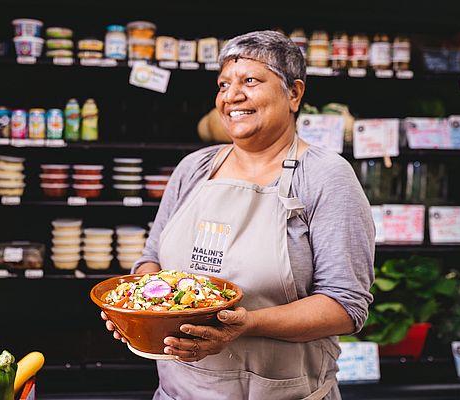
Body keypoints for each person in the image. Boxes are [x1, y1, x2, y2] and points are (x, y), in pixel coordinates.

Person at [102, 30, 375, 400]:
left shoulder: (326, 175)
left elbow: (345, 305)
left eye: (250, 80)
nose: (232, 96)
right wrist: (141, 308)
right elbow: (151, 259)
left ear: (294, 93)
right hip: (177, 393)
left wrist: (247, 324)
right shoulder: (194, 168)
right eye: (223, 84)